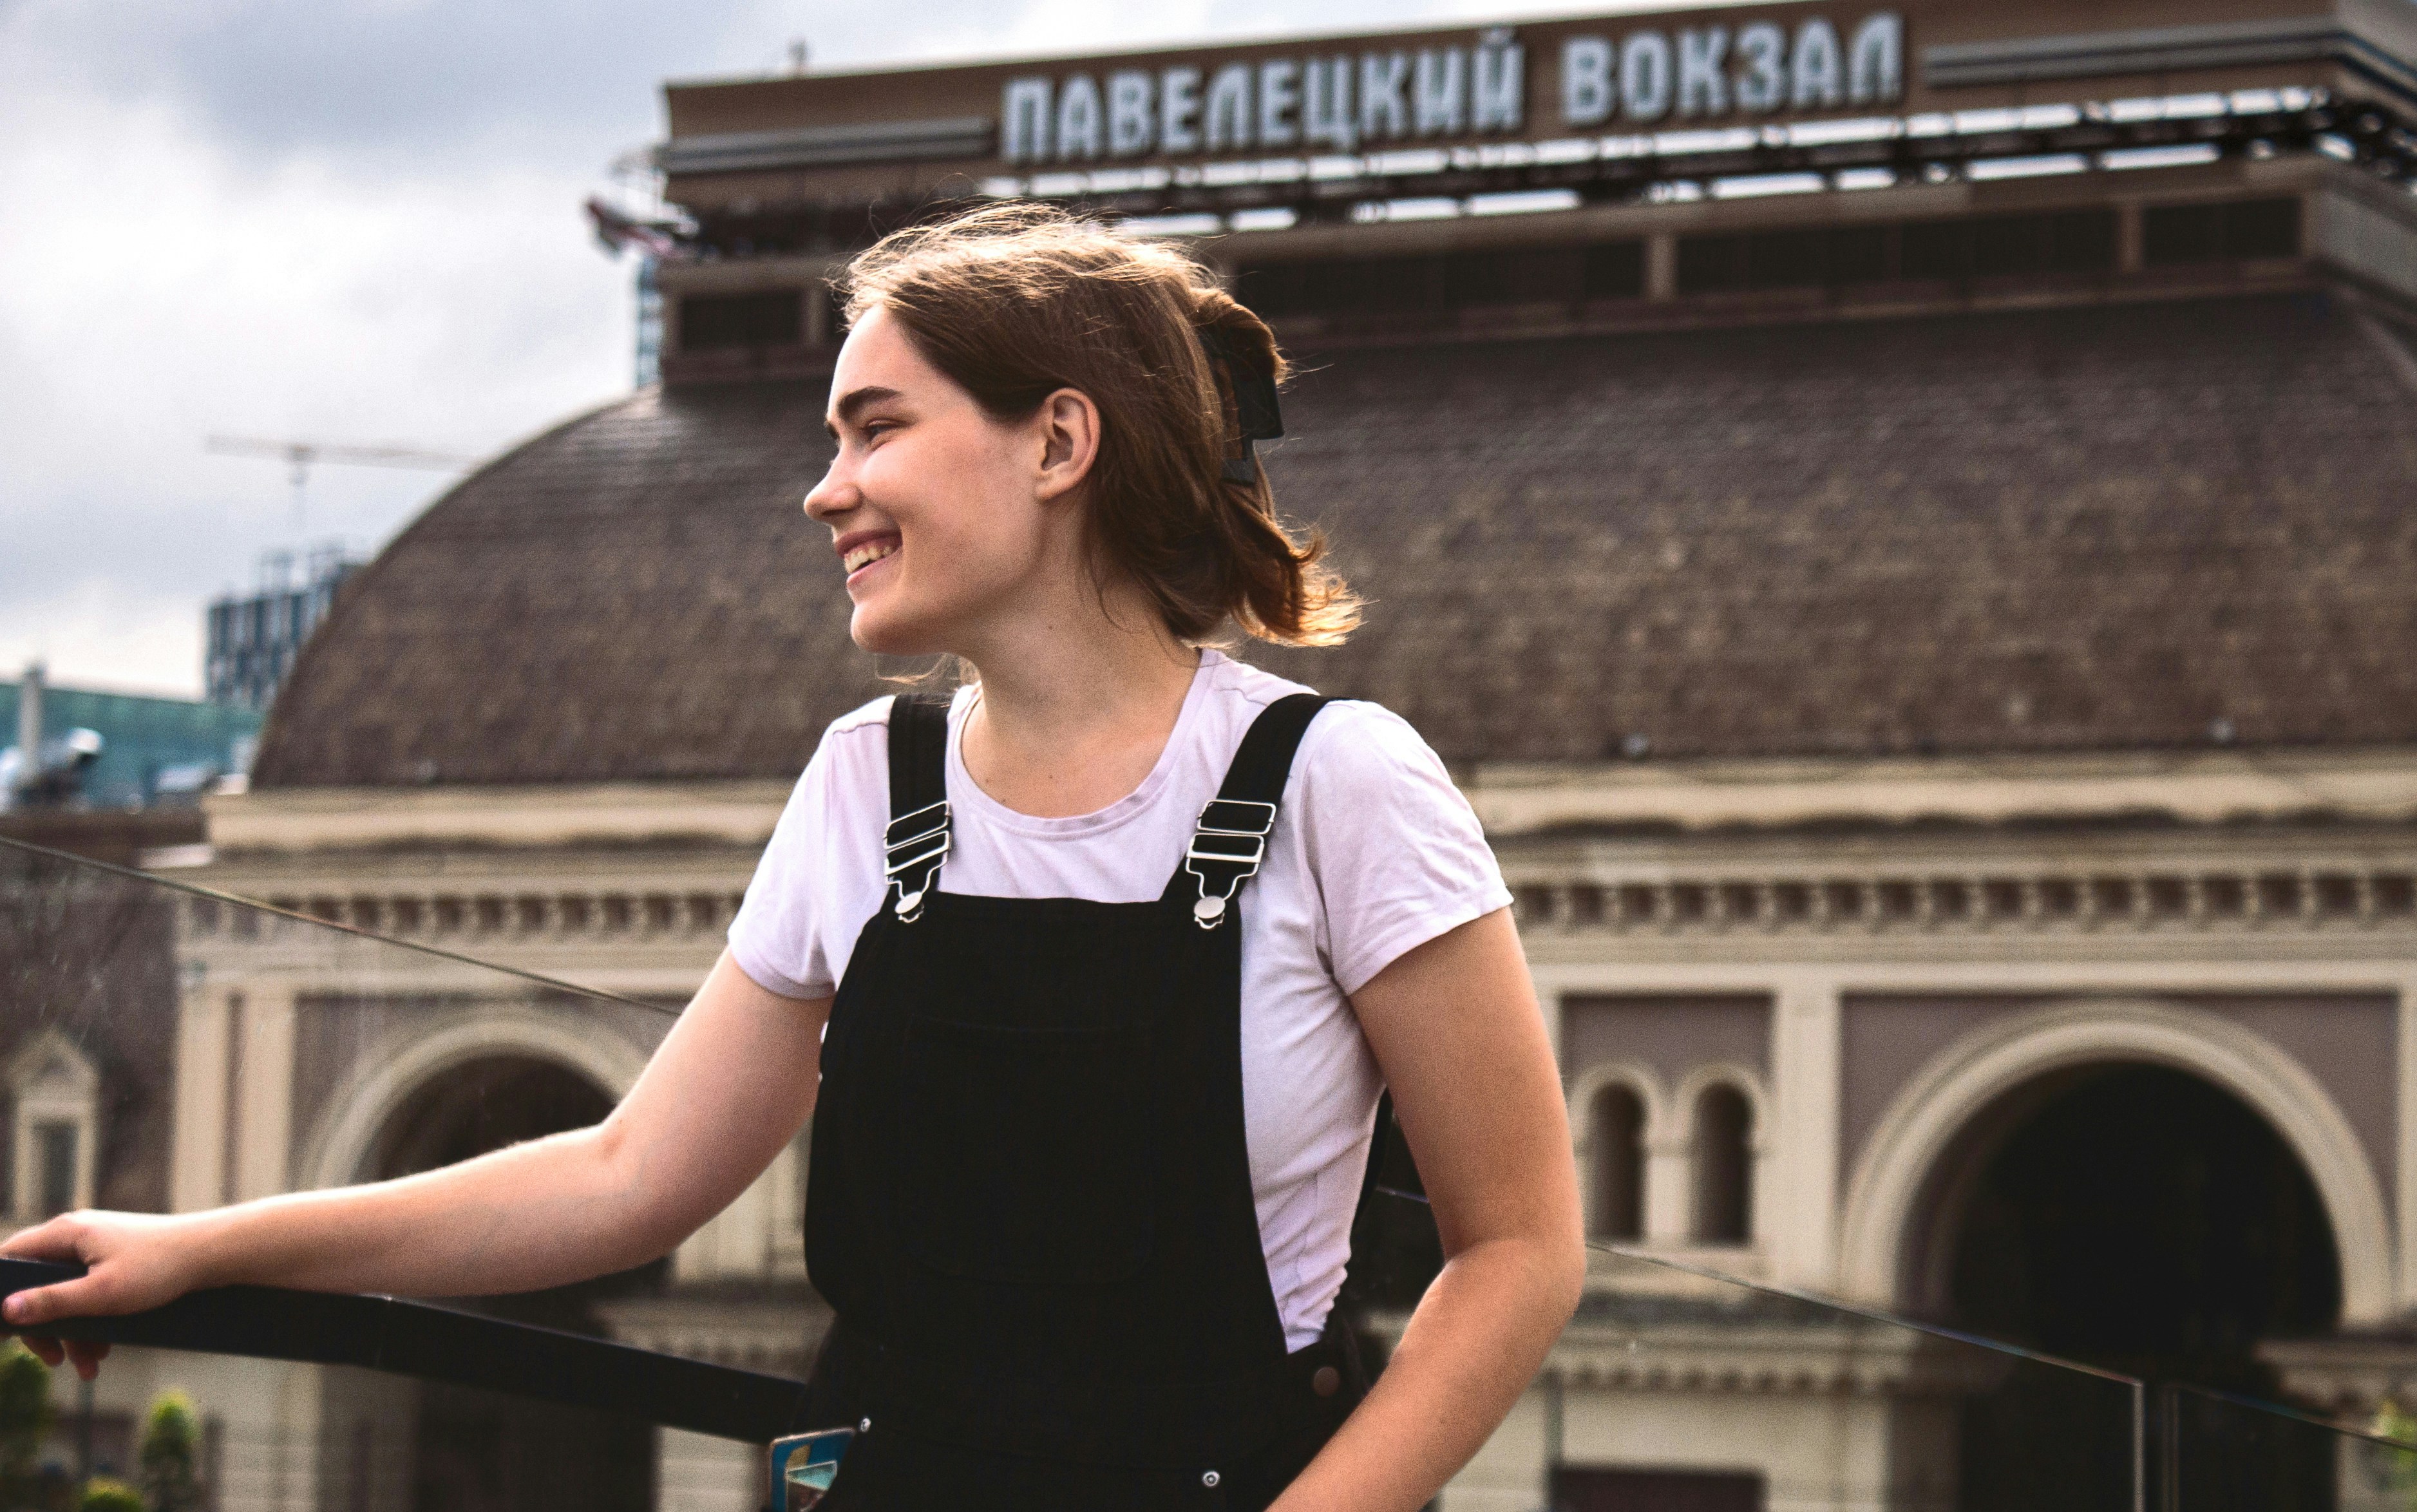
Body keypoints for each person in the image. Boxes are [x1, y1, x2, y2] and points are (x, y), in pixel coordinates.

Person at [1, 203, 1583, 1511]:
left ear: (1057, 443)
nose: (823, 487)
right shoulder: (862, 784)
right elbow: (628, 1176)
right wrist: (193, 1247)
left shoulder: (1335, 783)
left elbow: (1515, 1249)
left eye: (873, 428)